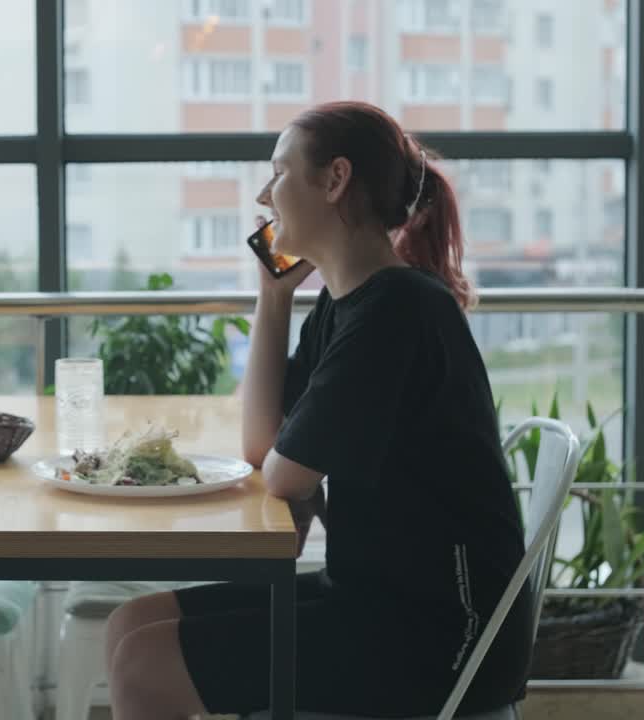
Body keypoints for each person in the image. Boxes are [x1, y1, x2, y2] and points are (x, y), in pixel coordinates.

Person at [103, 101, 533, 719]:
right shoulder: (348, 306)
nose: (263, 194)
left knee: (147, 665)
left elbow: (286, 474)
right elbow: (262, 444)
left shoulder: (398, 310)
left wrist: (286, 460)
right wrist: (273, 297)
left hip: (442, 637)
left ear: (335, 180)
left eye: (278, 172)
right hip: (375, 597)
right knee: (130, 627)